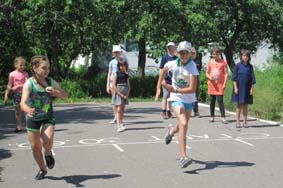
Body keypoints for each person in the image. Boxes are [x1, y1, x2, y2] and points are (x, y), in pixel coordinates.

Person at [20, 55, 68, 180]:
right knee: (35, 147)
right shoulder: (28, 84)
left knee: (47, 141)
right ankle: (42, 169)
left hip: (47, 116)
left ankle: (48, 153)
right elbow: (22, 103)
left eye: (48, 68)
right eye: (44, 68)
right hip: (33, 118)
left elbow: (65, 96)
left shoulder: (52, 82)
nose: (47, 71)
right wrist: (27, 110)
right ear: (35, 68)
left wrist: (57, 93)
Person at [155, 41, 199, 168]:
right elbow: (163, 70)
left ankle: (171, 131)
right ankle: (183, 157)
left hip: (188, 98)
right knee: (184, 123)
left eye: (186, 53)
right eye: (181, 53)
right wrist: (159, 87)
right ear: (178, 53)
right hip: (175, 98)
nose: (184, 55)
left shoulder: (192, 66)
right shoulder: (172, 64)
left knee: (181, 126)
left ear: (190, 54)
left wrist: (175, 89)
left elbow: (192, 88)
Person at [231, 50, 256, 128]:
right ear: (241, 57)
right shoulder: (238, 66)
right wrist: (235, 88)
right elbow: (234, 78)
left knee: (245, 105)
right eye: (244, 56)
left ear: (249, 57)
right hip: (239, 88)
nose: (245, 57)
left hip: (247, 88)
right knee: (239, 105)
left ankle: (245, 122)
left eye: (247, 56)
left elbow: (252, 79)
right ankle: (237, 122)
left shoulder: (250, 66)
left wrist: (251, 89)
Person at [4, 57, 29, 132]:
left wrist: (19, 86)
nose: (22, 67)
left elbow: (28, 84)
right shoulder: (12, 74)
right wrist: (6, 94)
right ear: (15, 65)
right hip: (16, 94)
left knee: (26, 110)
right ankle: (19, 126)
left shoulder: (25, 74)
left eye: (23, 65)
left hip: (24, 93)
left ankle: (29, 126)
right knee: (17, 111)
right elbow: (9, 85)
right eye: (21, 65)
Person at [206, 48, 229, 124]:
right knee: (212, 101)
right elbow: (207, 73)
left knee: (220, 101)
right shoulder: (210, 62)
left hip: (220, 85)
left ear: (219, 54)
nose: (214, 55)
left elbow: (226, 73)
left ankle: (223, 118)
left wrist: (224, 83)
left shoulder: (223, 62)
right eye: (213, 54)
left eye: (216, 54)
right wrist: (210, 77)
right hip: (212, 84)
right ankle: (212, 117)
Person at [158, 42, 177, 119]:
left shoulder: (176, 58)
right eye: (169, 48)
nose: (171, 49)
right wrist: (162, 79)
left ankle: (169, 111)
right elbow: (161, 69)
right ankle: (163, 111)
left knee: (171, 97)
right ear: (167, 49)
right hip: (166, 79)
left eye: (172, 48)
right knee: (165, 96)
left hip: (173, 80)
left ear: (174, 48)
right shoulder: (164, 57)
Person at [111, 57, 131, 132]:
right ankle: (118, 125)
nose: (122, 67)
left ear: (126, 66)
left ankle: (121, 123)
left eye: (123, 65)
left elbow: (129, 86)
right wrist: (120, 94)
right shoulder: (116, 74)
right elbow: (114, 85)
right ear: (118, 66)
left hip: (125, 94)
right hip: (119, 94)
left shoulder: (126, 75)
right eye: (120, 65)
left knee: (122, 109)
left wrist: (127, 94)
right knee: (118, 110)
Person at [106, 45, 122, 124]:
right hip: (113, 83)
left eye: (118, 52)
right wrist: (108, 85)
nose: (116, 54)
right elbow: (109, 73)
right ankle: (115, 116)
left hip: (120, 83)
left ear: (120, 53)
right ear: (113, 53)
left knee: (120, 102)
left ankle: (120, 118)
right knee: (114, 100)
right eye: (115, 52)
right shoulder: (111, 62)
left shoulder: (123, 61)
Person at [191, 47, 201, 117]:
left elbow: (199, 68)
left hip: (195, 78)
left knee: (195, 95)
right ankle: (186, 110)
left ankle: (196, 111)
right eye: (192, 53)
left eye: (194, 53)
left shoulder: (198, 60)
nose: (193, 54)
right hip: (187, 79)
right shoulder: (187, 60)